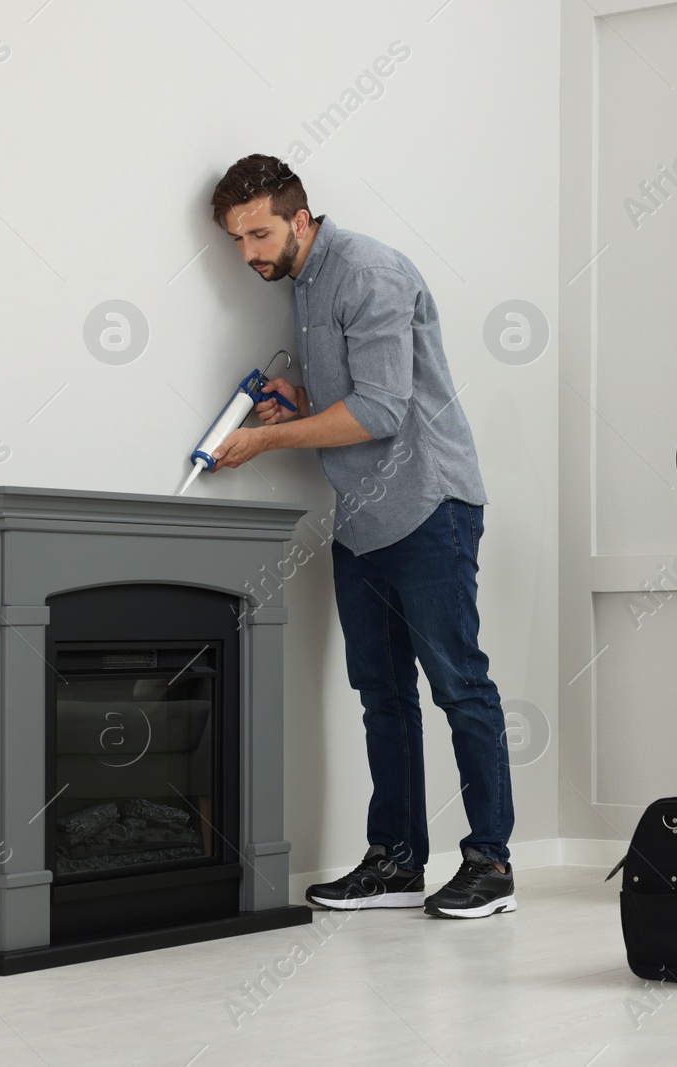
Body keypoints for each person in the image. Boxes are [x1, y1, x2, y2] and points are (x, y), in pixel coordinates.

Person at [205, 154, 515, 919]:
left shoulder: (369, 272)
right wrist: (298, 399)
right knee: (381, 694)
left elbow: (381, 412)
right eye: (237, 240)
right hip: (362, 519)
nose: (249, 254)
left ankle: (492, 864)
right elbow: (357, 393)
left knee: (459, 685)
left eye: (259, 233)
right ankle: (397, 861)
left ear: (300, 218)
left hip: (428, 504)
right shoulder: (305, 285)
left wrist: (265, 443)